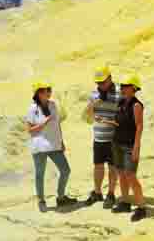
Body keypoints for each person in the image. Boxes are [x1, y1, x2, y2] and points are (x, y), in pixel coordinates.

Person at [25, 81, 77, 212]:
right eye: (46, 90)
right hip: (39, 146)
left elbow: (57, 124)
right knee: (39, 174)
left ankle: (60, 197)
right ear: (39, 93)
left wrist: (61, 141)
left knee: (65, 170)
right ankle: (41, 200)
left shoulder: (53, 105)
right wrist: (43, 123)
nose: (49, 92)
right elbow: (30, 130)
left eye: (50, 89)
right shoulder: (32, 108)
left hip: (54, 144)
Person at [82, 66, 121, 208]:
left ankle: (111, 194)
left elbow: (123, 114)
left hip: (114, 138)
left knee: (112, 167)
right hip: (98, 137)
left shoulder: (119, 93)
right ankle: (97, 193)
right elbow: (86, 117)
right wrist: (93, 105)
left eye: (102, 82)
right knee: (98, 166)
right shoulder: (94, 94)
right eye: (98, 83)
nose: (100, 85)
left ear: (110, 78)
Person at [111, 74, 147, 222]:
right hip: (117, 143)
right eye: (122, 86)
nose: (122, 89)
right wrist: (107, 121)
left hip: (129, 145)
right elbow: (119, 122)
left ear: (133, 88)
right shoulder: (120, 103)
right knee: (121, 173)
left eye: (125, 87)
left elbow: (139, 126)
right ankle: (126, 202)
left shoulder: (136, 105)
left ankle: (141, 207)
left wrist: (136, 147)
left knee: (130, 175)